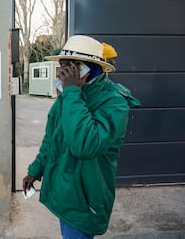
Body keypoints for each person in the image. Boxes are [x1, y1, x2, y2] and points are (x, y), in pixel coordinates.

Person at [23, 35, 140, 238]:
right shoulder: (70, 95)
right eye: (62, 65)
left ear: (88, 68)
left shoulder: (114, 103)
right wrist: (35, 169)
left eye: (70, 66)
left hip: (85, 199)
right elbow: (52, 139)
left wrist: (72, 93)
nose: (63, 72)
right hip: (64, 192)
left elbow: (85, 145)